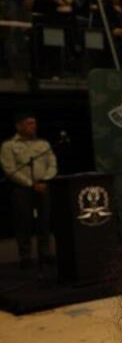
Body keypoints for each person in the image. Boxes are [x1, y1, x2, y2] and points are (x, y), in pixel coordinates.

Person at [1, 113, 57, 271]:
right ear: (19, 126)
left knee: (44, 222)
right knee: (23, 223)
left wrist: (45, 179)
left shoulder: (43, 144)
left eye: (34, 123)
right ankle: (25, 256)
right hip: (22, 189)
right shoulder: (9, 145)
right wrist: (31, 184)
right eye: (29, 123)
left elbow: (52, 164)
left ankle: (45, 253)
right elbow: (9, 169)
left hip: (43, 187)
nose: (33, 126)